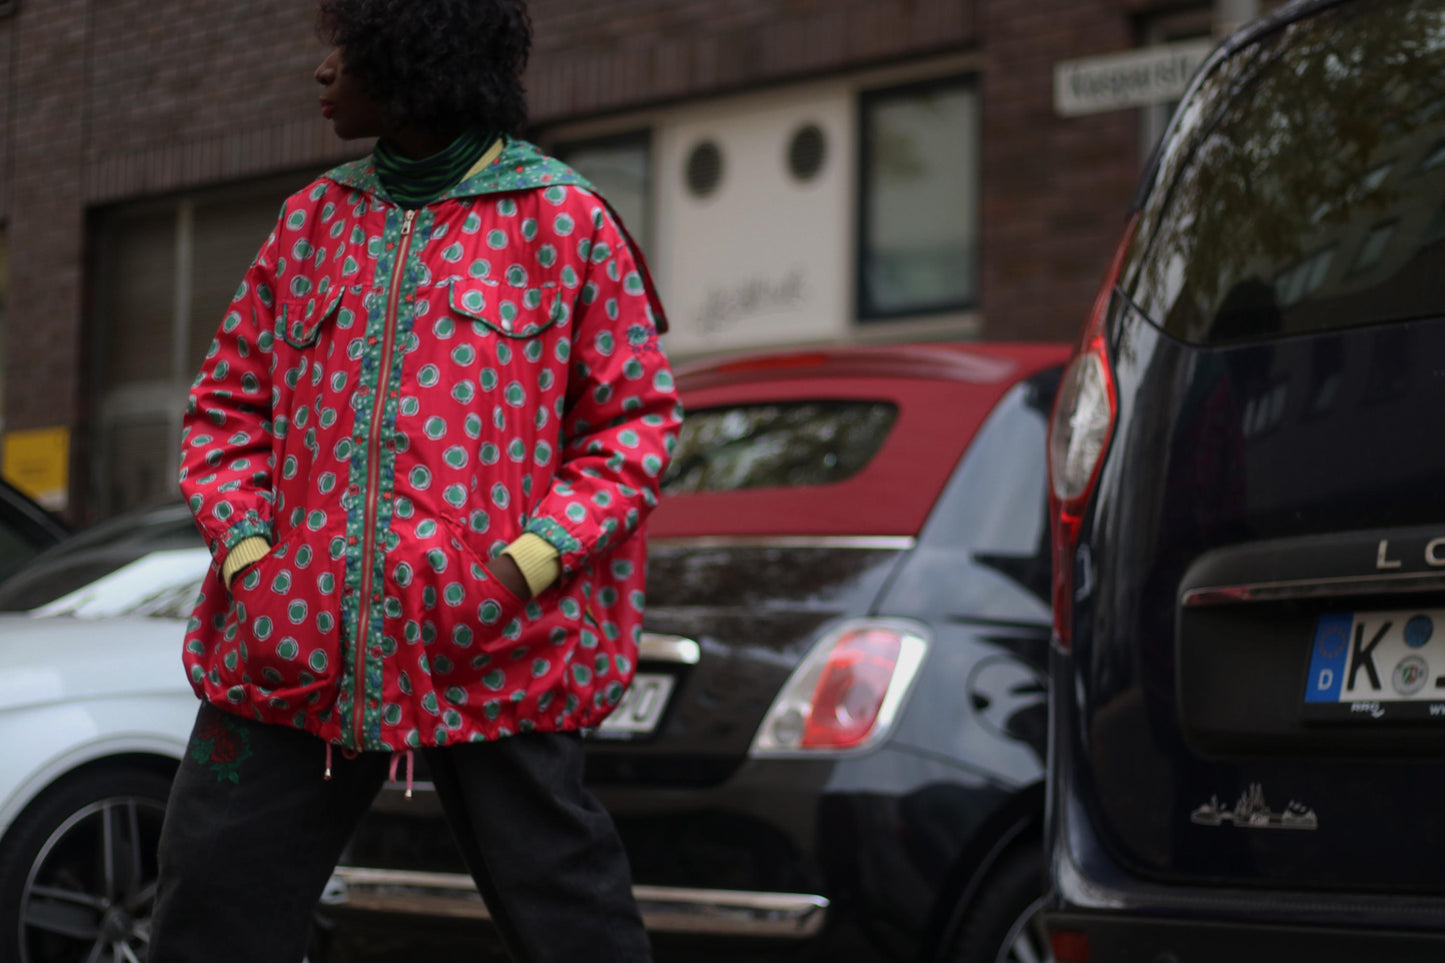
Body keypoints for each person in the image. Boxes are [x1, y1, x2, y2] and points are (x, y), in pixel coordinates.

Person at [148, 1, 680, 960]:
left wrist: (525, 564)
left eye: (342, 50)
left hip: (490, 641)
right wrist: (253, 549)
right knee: (207, 905)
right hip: (291, 642)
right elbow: (227, 408)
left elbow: (632, 423)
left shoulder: (563, 223)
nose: (322, 72)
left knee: (569, 915)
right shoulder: (310, 223)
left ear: (414, 58)